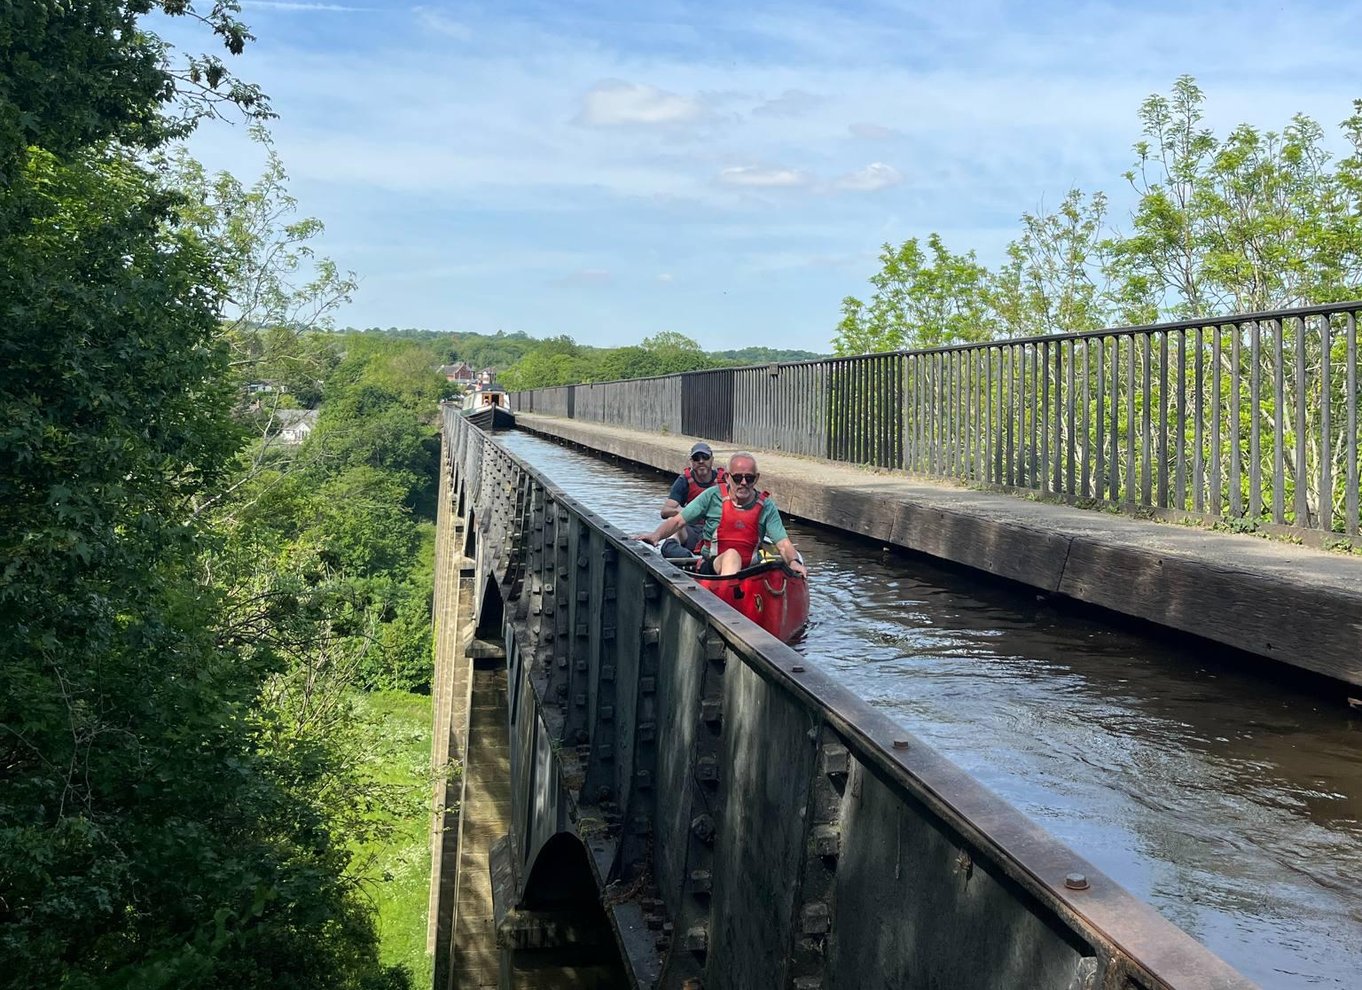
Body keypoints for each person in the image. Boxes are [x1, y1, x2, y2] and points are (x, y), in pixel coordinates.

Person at [634, 452, 807, 578]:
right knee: (732, 555)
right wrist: (655, 535)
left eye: (750, 478)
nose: (744, 483)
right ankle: (725, 606)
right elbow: (678, 521)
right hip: (713, 566)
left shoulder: (766, 507)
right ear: (727, 477)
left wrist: (793, 562)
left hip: (750, 572)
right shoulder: (712, 496)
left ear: (757, 478)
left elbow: (783, 543)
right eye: (738, 478)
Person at [660, 441, 726, 551]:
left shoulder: (724, 480)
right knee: (675, 523)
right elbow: (665, 511)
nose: (701, 461)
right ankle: (676, 550)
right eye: (696, 458)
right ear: (691, 461)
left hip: (717, 530)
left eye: (705, 457)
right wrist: (688, 513)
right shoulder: (684, 481)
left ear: (712, 460)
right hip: (691, 529)